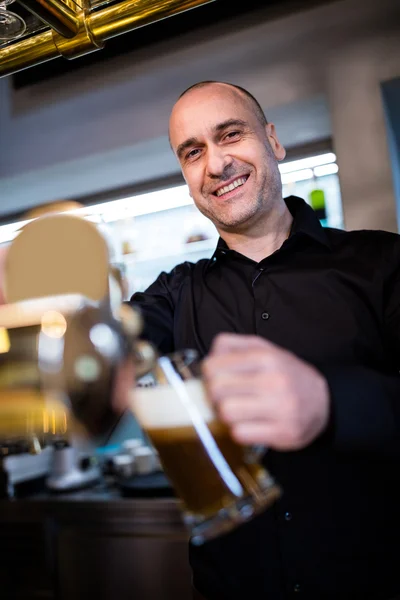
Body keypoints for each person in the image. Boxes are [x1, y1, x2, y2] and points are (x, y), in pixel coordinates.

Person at [130, 81, 400, 600]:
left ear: (273, 141)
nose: (215, 164)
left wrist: (330, 403)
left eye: (230, 135)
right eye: (193, 152)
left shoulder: (382, 265)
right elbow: (107, 344)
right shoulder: (173, 294)